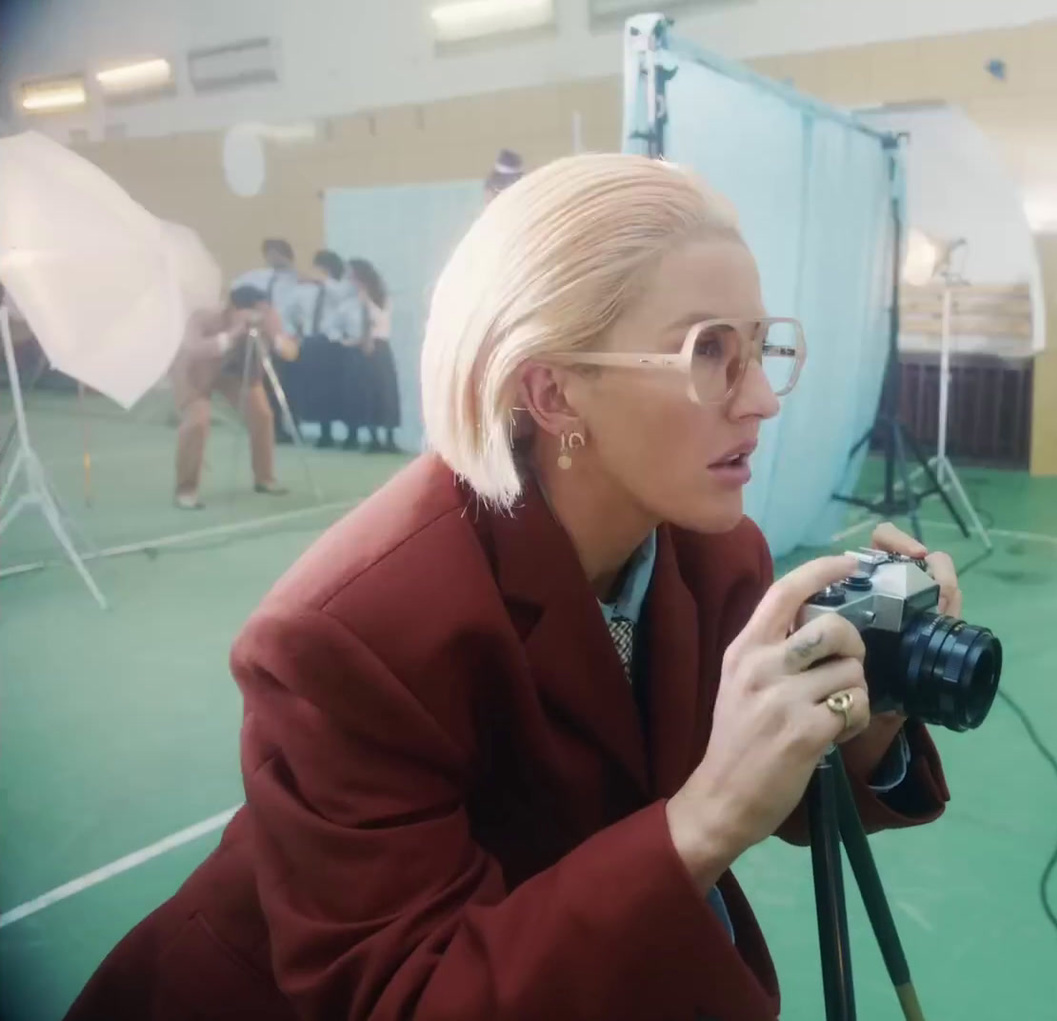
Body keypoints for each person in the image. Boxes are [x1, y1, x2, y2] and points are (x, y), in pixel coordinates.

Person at [68, 154, 962, 1020]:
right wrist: (702, 820)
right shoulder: (349, 633)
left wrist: (869, 707)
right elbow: (410, 996)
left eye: (763, 348)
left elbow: (784, 789)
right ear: (553, 392)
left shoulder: (715, 555)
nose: (763, 398)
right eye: (709, 353)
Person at [171, 285, 292, 509]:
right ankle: (185, 490)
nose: (260, 315)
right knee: (197, 422)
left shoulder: (267, 318)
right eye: (256, 311)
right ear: (234, 308)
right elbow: (195, 349)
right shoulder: (203, 318)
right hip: (193, 373)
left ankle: (265, 478)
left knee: (262, 415)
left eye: (263, 310)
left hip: (234, 373)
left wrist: (275, 336)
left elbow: (291, 353)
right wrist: (233, 333)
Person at [233, 239, 305, 443]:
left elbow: (301, 311)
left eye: (277, 253)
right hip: (264, 338)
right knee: (268, 385)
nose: (273, 258)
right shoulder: (257, 278)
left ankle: (294, 426)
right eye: (269, 253)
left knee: (291, 385)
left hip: (288, 337)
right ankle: (275, 428)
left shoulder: (298, 281)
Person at [292, 249, 362, 448]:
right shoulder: (304, 290)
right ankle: (325, 433)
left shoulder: (342, 288)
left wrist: (322, 281)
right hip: (312, 342)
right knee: (316, 389)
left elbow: (343, 295)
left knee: (340, 389)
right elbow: (294, 312)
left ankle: (351, 434)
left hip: (334, 343)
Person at [348, 257, 401, 453]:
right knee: (380, 391)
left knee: (376, 391)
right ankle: (382, 438)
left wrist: (365, 340)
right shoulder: (381, 296)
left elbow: (369, 322)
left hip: (374, 346)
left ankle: (381, 438)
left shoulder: (367, 297)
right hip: (381, 346)